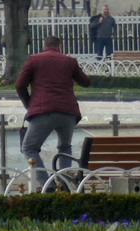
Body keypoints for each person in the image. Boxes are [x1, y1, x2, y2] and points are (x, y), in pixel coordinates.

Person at [15, 34, 91, 186]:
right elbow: (86, 82)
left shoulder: (34, 59)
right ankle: (64, 183)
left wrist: (28, 104)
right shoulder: (69, 61)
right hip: (68, 113)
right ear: (60, 47)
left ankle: (47, 185)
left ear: (44, 47)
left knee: (29, 147)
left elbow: (19, 85)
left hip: (43, 111)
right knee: (65, 147)